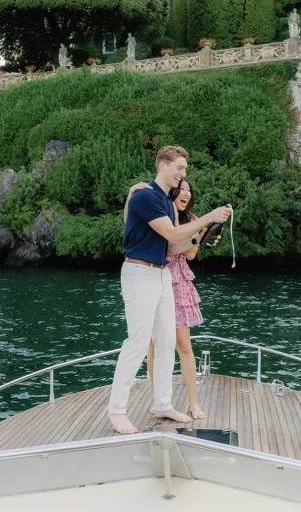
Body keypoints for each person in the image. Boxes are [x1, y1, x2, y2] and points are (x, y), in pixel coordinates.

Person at [108, 146, 232, 435]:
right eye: (179, 168)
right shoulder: (146, 197)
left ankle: (163, 403)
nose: (183, 174)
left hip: (162, 274)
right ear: (162, 165)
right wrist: (209, 216)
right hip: (139, 274)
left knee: (165, 342)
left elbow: (174, 246)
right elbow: (173, 233)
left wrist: (199, 240)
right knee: (138, 343)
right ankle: (116, 410)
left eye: (185, 169)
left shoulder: (165, 202)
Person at [124, 178, 208, 420]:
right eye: (181, 189)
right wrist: (131, 193)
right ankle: (159, 398)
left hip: (177, 283)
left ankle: (193, 403)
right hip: (151, 276)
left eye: (189, 190)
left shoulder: (192, 221)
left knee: (184, 344)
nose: (186, 193)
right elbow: (157, 240)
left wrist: (198, 239)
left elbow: (191, 254)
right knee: (153, 345)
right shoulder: (157, 214)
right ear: (171, 192)